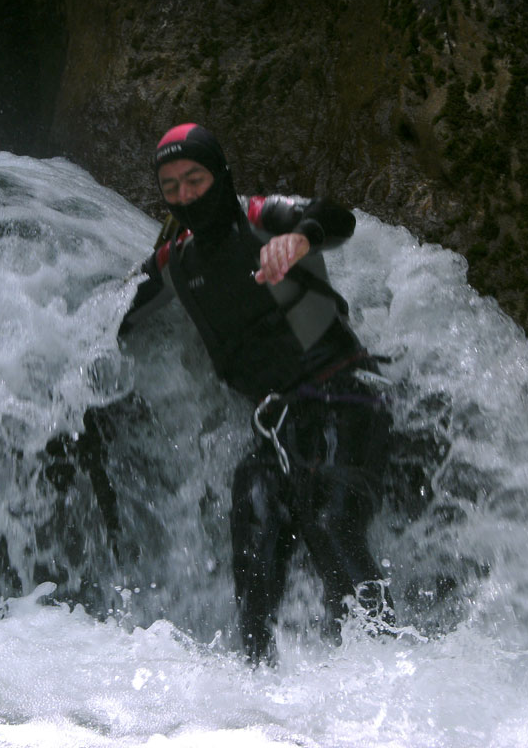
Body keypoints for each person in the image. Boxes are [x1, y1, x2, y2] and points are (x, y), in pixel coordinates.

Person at [119, 123, 394, 662]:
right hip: (278, 424)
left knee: (329, 518)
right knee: (254, 521)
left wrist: (301, 237)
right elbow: (118, 307)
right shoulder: (177, 259)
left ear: (220, 174)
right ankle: (258, 687)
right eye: (171, 186)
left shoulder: (260, 217)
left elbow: (337, 215)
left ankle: (389, 670)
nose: (185, 195)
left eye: (195, 179)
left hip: (345, 396)